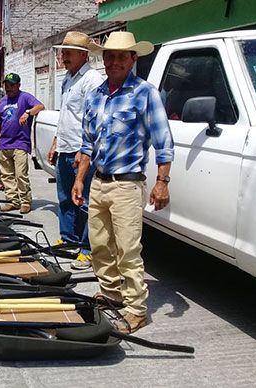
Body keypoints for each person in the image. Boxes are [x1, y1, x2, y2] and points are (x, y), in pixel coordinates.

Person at [71, 31, 174, 334]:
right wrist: (80, 180)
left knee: (127, 250)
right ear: (102, 59)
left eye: (121, 56)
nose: (114, 62)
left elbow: (163, 142)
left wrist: (163, 182)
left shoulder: (145, 93)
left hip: (127, 185)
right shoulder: (96, 95)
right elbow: (88, 144)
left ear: (133, 59)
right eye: (109, 56)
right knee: (100, 246)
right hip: (98, 183)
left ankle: (136, 309)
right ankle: (112, 293)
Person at [46, 32, 105, 270]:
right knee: (65, 199)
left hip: (82, 151)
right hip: (65, 147)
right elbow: (66, 116)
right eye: (62, 52)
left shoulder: (91, 79)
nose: (63, 56)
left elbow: (94, 119)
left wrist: (85, 150)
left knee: (85, 201)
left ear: (83, 54)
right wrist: (55, 142)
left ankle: (88, 248)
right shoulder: (68, 79)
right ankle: (68, 239)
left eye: (67, 52)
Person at [0, 73, 45, 214]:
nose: (8, 88)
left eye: (12, 85)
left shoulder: (25, 97)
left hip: (20, 142)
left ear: (18, 85)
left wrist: (28, 112)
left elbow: (40, 106)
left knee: (20, 174)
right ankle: (12, 201)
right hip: (4, 144)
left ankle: (25, 202)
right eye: (6, 85)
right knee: (6, 175)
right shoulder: (2, 102)